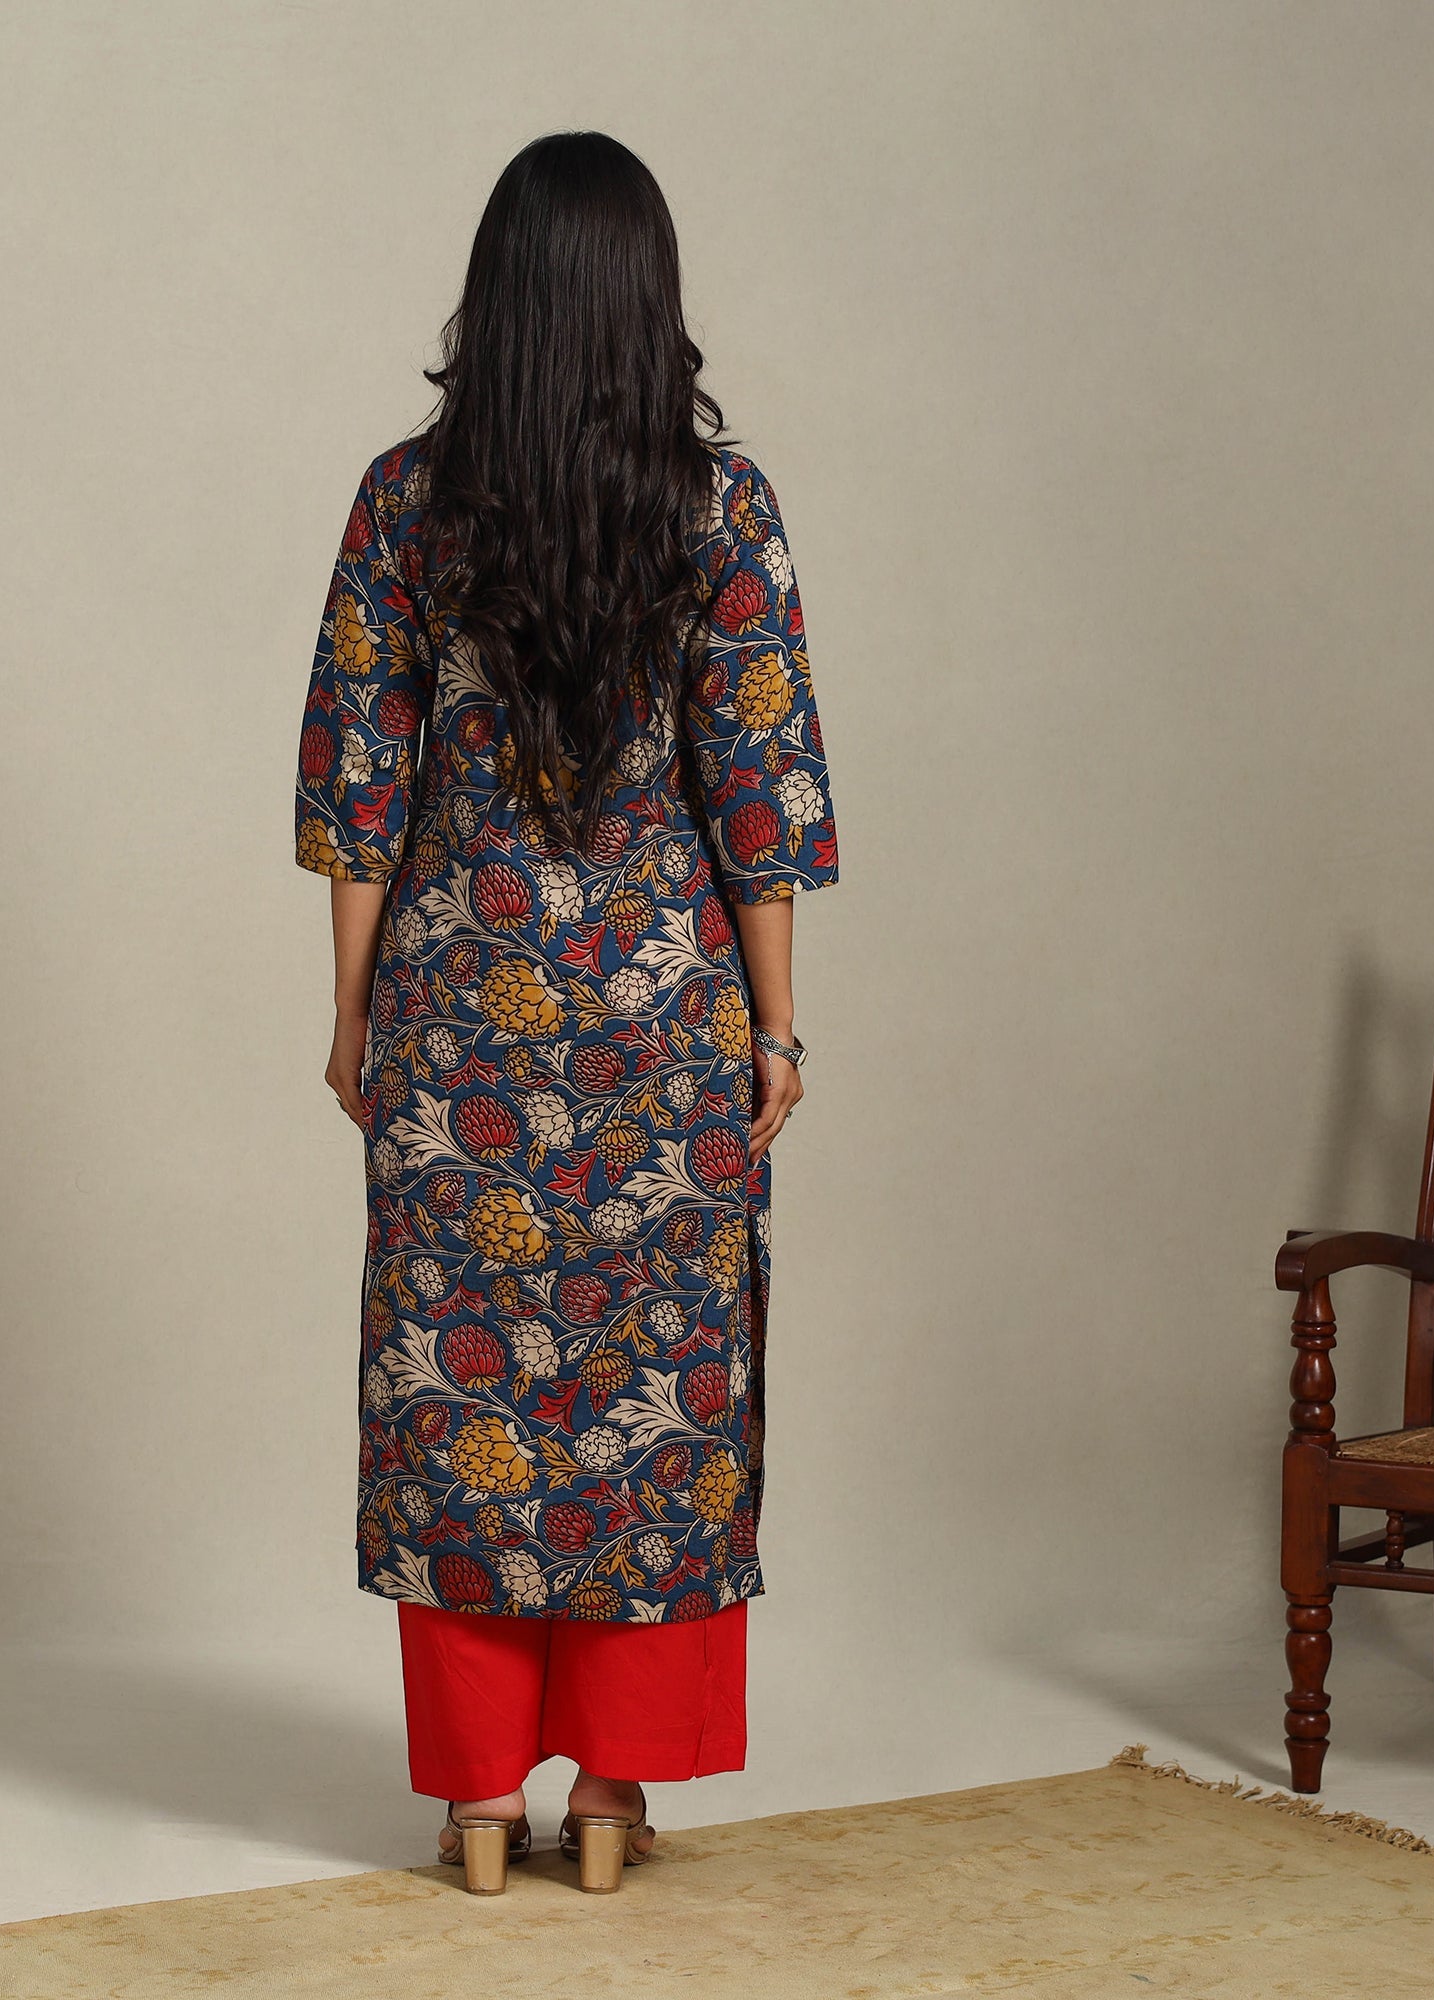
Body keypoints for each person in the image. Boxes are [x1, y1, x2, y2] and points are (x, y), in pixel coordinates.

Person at [292, 130, 840, 1895]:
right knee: (653, 1397)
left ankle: (472, 1800)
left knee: (459, 1398)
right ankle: (611, 1795)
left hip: (454, 1014)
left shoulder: (404, 502)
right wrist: (774, 1029)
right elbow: (757, 788)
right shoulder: (719, 509)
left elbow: (361, 784)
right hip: (662, 1029)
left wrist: (355, 1014)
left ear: (500, 296)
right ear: (645, 301)